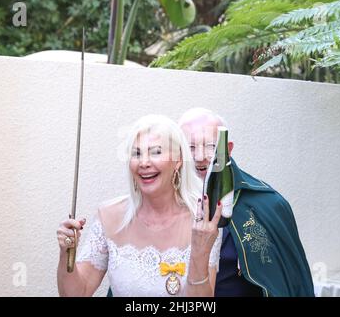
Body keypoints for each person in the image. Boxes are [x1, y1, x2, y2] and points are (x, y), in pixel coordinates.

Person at [57, 115, 222, 296]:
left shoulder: (201, 221)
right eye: (136, 154)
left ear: (179, 160)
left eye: (156, 152)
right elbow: (76, 294)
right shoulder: (109, 216)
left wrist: (199, 251)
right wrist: (66, 252)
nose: (144, 163)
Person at [178, 108, 315, 297]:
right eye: (190, 148)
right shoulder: (159, 202)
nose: (199, 157)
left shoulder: (267, 204)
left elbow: (293, 282)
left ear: (228, 149)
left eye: (211, 146)